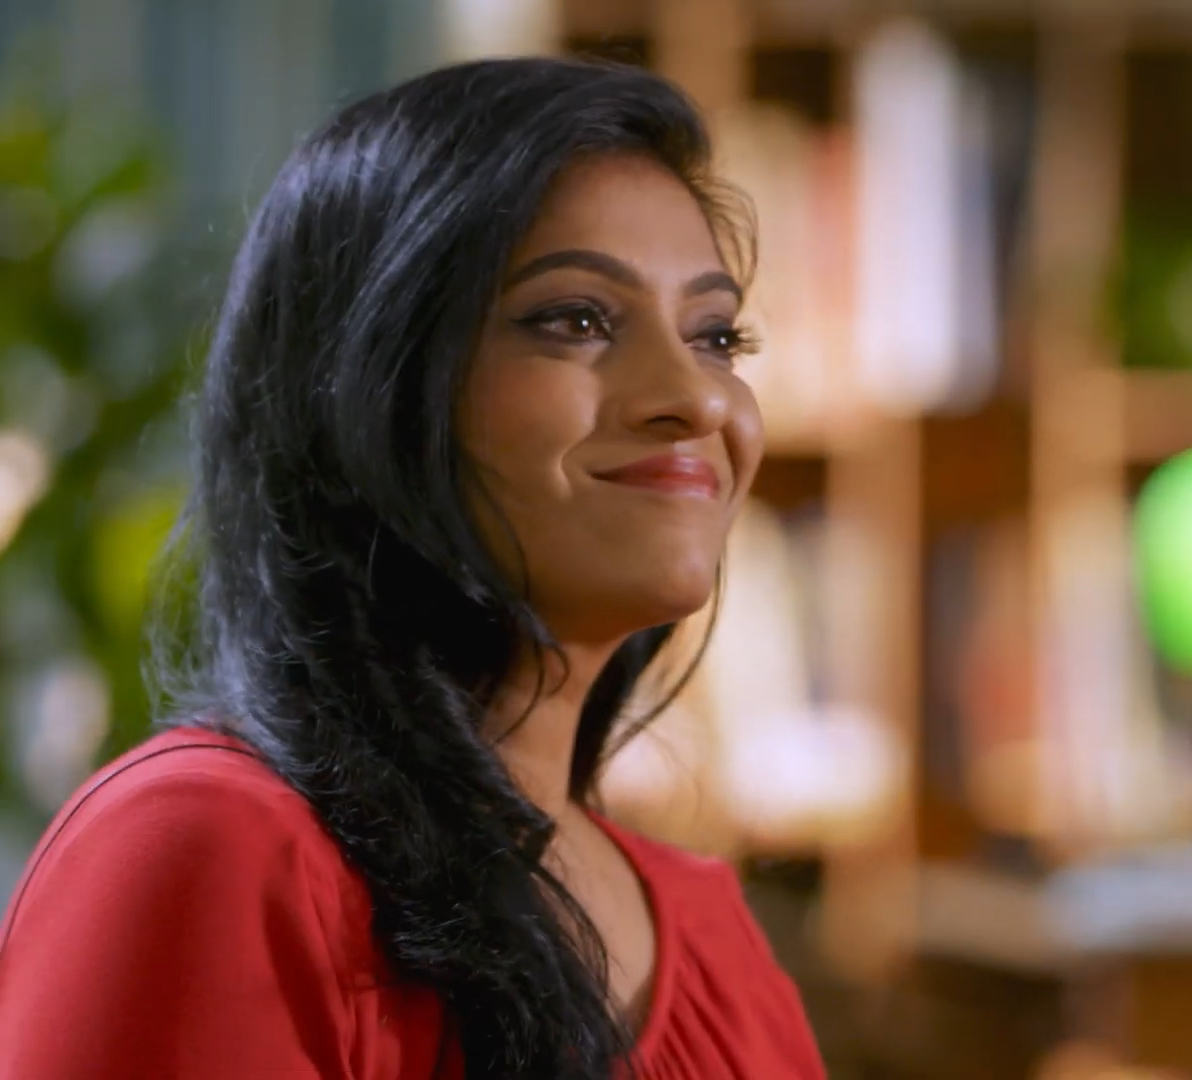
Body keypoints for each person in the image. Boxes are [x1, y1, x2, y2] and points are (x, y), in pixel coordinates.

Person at [0, 57, 824, 1079]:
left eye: (715, 336)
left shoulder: (716, 940)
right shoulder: (209, 845)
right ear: (370, 385)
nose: (696, 399)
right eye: (576, 320)